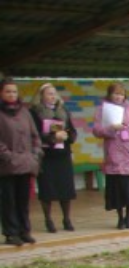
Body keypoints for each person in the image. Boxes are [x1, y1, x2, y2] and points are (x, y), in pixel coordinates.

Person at [93, 82, 129, 230]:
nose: (118, 97)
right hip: (115, 155)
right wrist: (111, 128)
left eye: (121, 94)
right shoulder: (102, 109)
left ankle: (128, 216)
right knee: (118, 189)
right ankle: (120, 217)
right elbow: (96, 130)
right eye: (116, 93)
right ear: (110, 94)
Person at [29, 83, 77, 233]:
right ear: (41, 96)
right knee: (47, 189)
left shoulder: (63, 111)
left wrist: (67, 135)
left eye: (54, 93)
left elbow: (72, 130)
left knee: (66, 188)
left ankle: (66, 219)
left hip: (62, 154)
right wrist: (51, 137)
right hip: (46, 155)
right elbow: (33, 133)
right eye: (49, 93)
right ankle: (48, 220)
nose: (52, 96)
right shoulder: (35, 112)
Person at [0, 78, 42, 246]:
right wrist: (8, 155)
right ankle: (11, 233)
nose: (12, 94)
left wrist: (36, 153)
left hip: (26, 164)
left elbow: (35, 135)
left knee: (23, 200)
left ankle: (25, 230)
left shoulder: (24, 112)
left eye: (14, 91)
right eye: (8, 91)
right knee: (8, 200)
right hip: (6, 165)